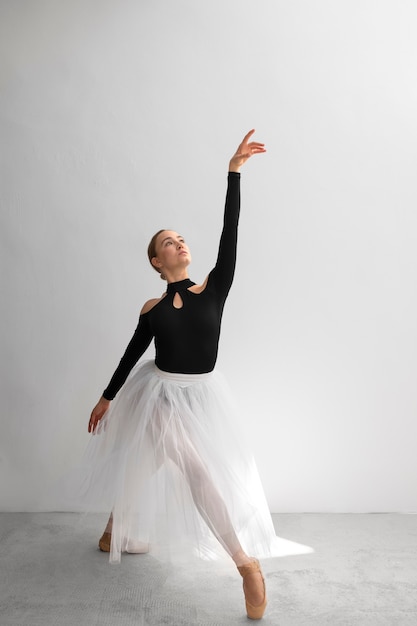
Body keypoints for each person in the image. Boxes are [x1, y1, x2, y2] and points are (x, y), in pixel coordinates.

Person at [86, 130, 271, 620]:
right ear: (156, 260)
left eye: (182, 238)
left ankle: (111, 529)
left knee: (145, 464)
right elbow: (132, 354)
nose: (180, 243)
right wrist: (107, 397)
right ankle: (245, 564)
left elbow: (230, 234)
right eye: (169, 242)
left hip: (202, 395)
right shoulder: (151, 308)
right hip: (160, 396)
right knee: (194, 469)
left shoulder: (215, 288)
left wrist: (233, 173)